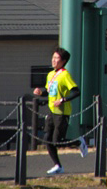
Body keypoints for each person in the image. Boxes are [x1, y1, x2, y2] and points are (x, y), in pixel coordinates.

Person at [33, 47, 88, 175]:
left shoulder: (65, 75)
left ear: (63, 61)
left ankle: (78, 142)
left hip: (62, 113)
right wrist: (41, 93)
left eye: (57, 58)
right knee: (47, 139)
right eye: (53, 57)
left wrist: (62, 100)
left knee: (57, 141)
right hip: (52, 112)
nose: (53, 60)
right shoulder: (51, 74)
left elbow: (76, 92)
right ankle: (58, 166)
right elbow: (49, 92)